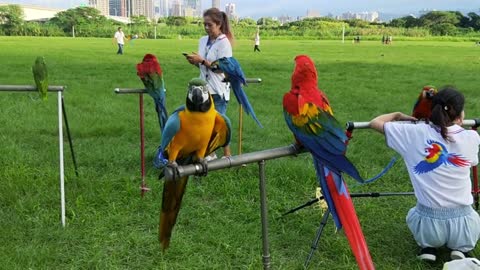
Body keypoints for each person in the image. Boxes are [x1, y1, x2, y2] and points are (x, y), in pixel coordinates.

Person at [369, 87, 480, 262]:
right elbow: (471, 161)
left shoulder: (413, 133)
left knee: (416, 214)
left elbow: (375, 122)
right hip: (465, 226)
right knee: (468, 221)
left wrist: (398, 115)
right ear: (460, 116)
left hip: (429, 225)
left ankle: (428, 247)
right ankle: (460, 249)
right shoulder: (472, 137)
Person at [185, 7, 233, 159]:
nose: (206, 28)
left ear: (219, 24)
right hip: (203, 90)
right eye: (204, 24)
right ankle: (209, 153)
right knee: (204, 125)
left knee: (219, 124)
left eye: (209, 25)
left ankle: (227, 155)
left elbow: (221, 69)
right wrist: (195, 62)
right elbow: (204, 65)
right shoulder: (202, 40)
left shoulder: (224, 43)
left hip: (219, 89)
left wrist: (203, 61)